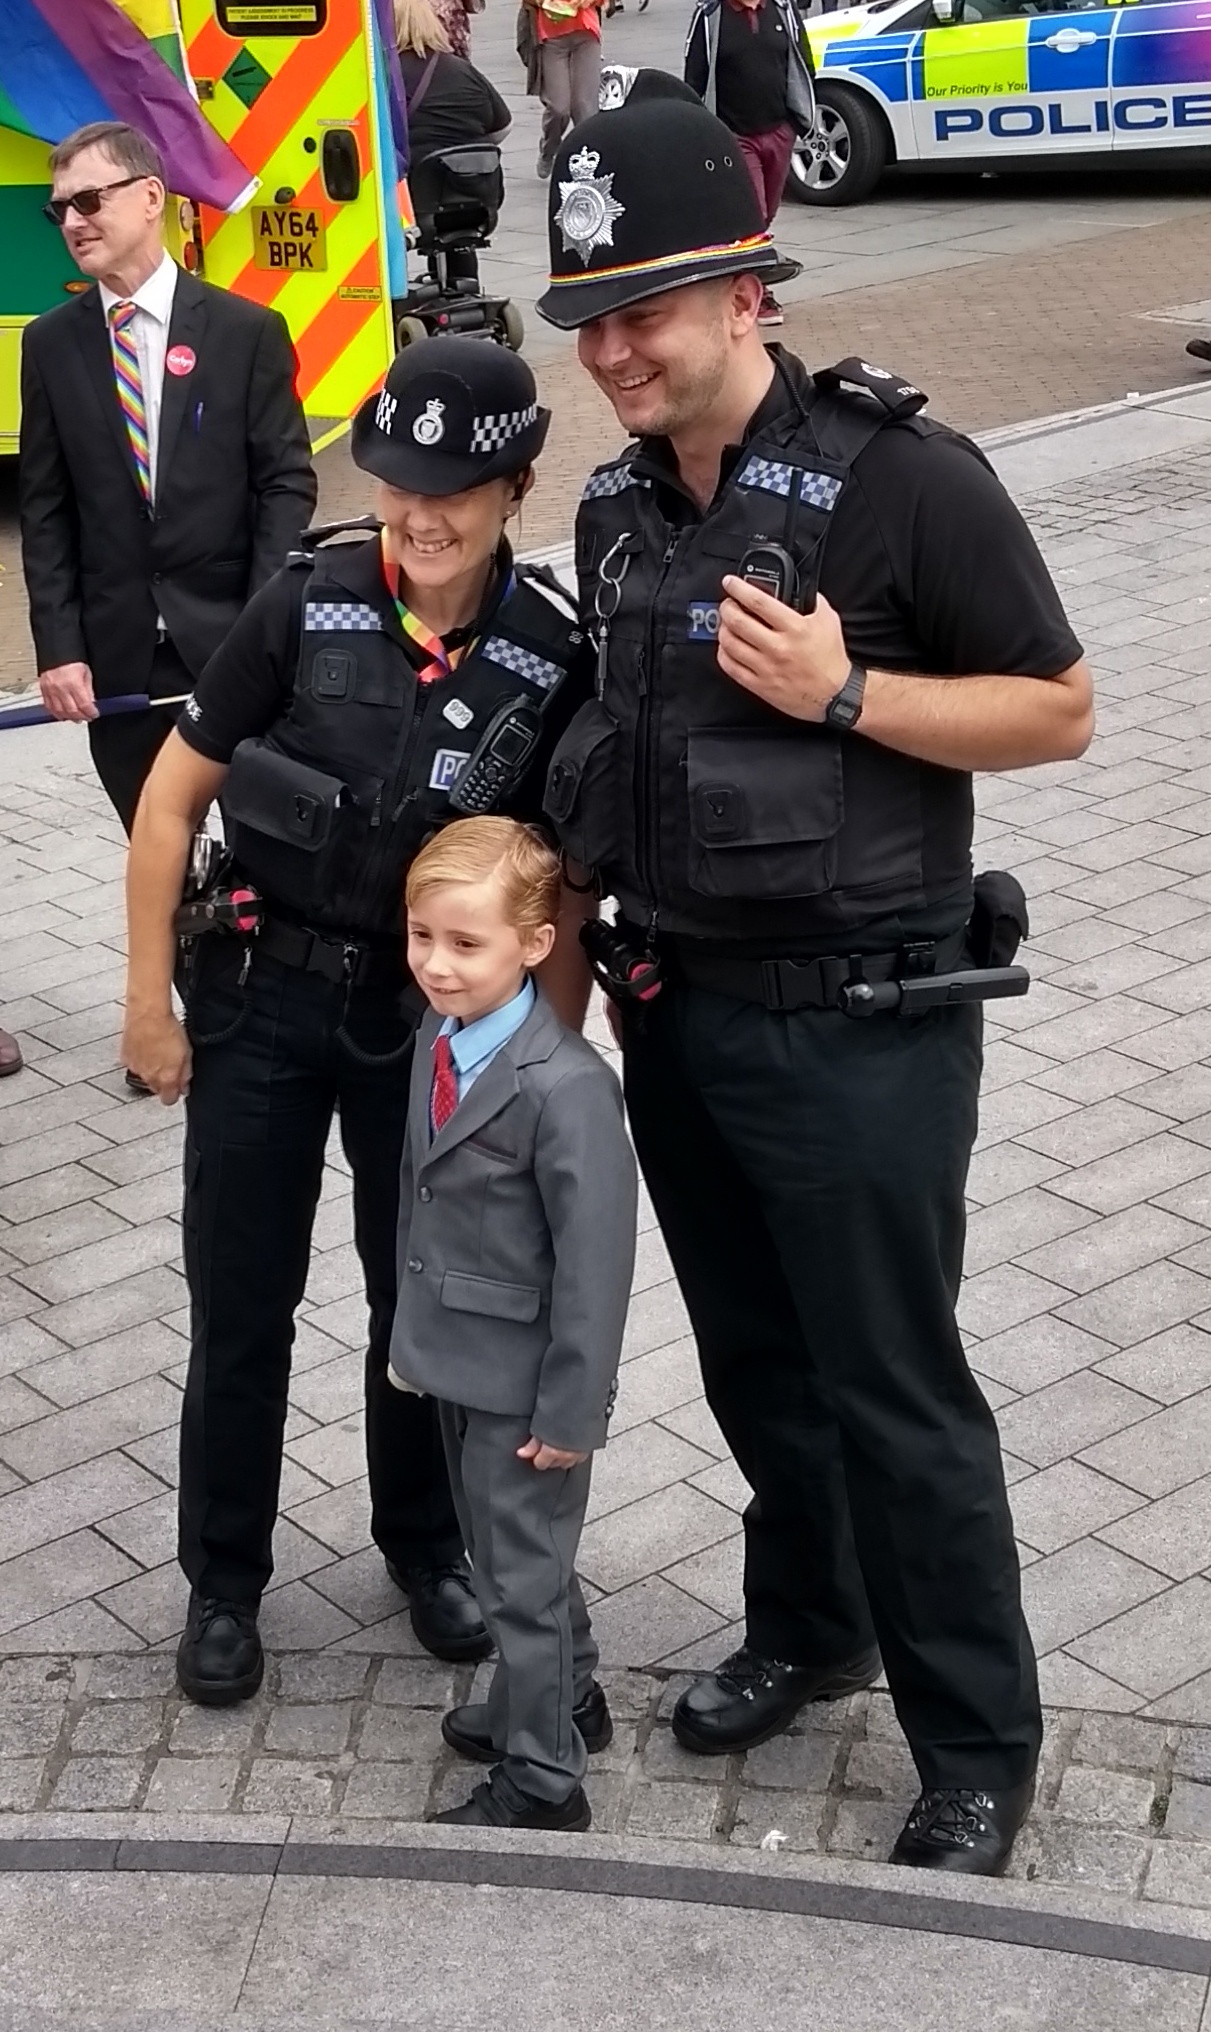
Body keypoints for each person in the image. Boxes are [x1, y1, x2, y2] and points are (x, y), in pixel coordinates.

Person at [537, 98, 1094, 1875]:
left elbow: (1056, 708)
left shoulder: (903, 479)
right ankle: (811, 1624)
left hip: (862, 1027)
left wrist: (848, 696)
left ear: (742, 293)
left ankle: (977, 1745)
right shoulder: (614, 509)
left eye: (641, 310)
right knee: (758, 1365)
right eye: (587, 319)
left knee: (893, 1390)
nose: (609, 353)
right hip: (679, 1007)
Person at [122, 337, 595, 1707]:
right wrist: (146, 1004)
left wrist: (546, 1067)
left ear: (514, 487)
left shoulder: (549, 653)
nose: (418, 516)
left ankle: (425, 1546)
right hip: (261, 1002)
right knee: (240, 1304)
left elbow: (559, 885)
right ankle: (224, 1581)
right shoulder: (303, 603)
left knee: (424, 1300)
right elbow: (168, 802)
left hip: (429, 1030)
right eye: (396, 484)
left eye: (453, 491)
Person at [387, 817, 636, 1832]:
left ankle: (541, 1779)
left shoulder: (567, 1088)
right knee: (509, 1557)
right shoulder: (438, 1035)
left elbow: (595, 1267)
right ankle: (568, 1693)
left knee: (517, 1580)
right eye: (421, 936)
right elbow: (421, 1194)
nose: (436, 965)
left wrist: (572, 1411)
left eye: (464, 943)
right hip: (453, 1357)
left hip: (528, 1387)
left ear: (535, 943)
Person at [19, 121, 316, 842]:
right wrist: (59, 648)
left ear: (151, 197)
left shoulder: (245, 332)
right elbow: (46, 509)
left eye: (88, 200)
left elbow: (284, 484)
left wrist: (264, 627)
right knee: (161, 866)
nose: (73, 222)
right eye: (60, 209)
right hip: (120, 665)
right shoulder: (50, 343)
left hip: (231, 646)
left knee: (264, 857)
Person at [684, 0, 816, 328]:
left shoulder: (782, 9)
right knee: (753, 213)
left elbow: (803, 62)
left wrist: (793, 123)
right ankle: (761, 291)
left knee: (766, 212)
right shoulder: (711, 15)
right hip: (735, 135)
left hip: (778, 129)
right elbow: (694, 80)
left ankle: (732, 273)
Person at [395, 0, 511, 290]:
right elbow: (502, 126)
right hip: (478, 197)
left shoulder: (388, 75)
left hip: (418, 203)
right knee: (456, 230)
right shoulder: (463, 70)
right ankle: (468, 290)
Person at [529, 0, 604, 180]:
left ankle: (588, 165)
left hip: (587, 33)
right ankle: (549, 149)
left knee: (585, 108)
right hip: (552, 36)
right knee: (558, 108)